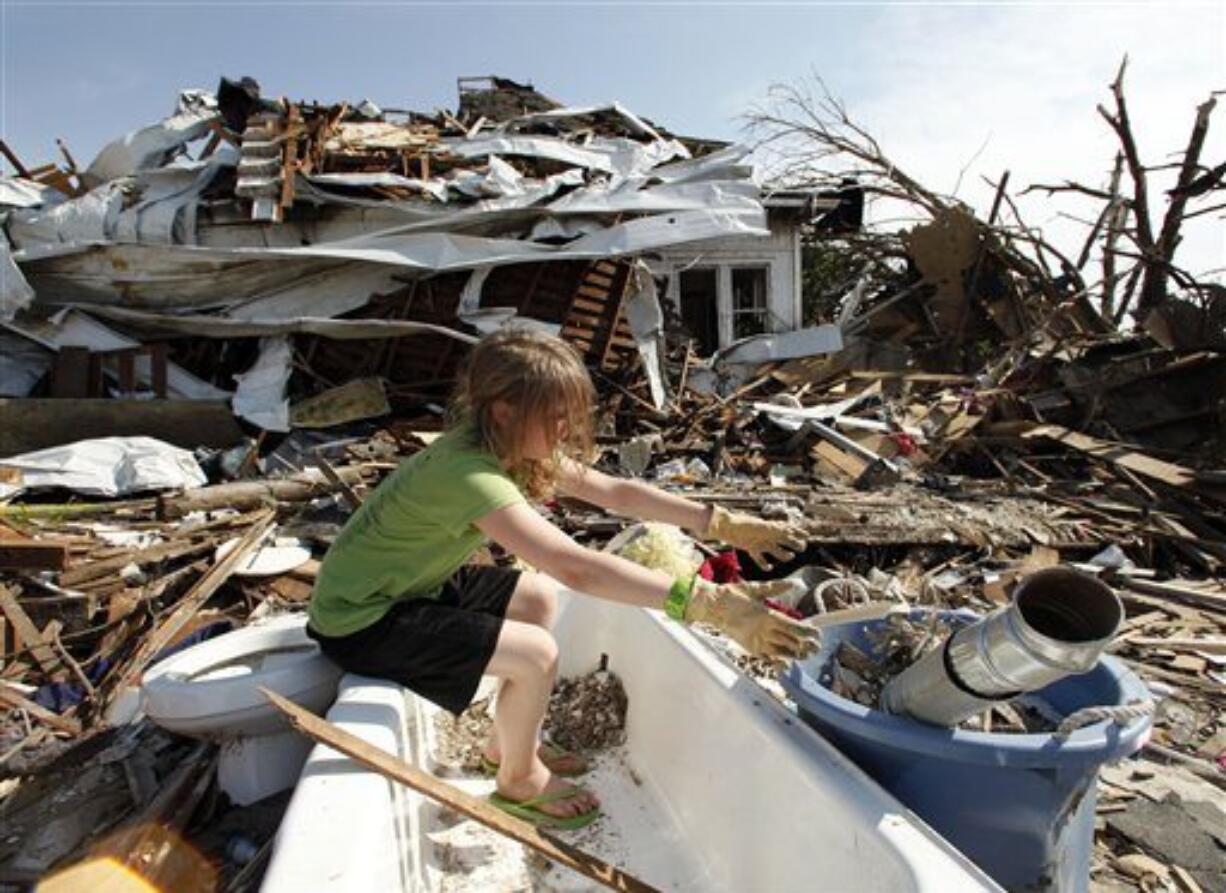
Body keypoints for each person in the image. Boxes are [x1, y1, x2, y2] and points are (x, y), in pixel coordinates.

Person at [307, 329, 818, 830]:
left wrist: (718, 523)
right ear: (505, 411)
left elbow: (615, 492)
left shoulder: (502, 445)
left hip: (406, 586)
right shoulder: (468, 474)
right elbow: (578, 567)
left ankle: (505, 745)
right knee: (536, 655)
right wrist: (709, 604)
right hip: (360, 619)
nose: (566, 429)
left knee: (537, 599)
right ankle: (519, 780)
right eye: (555, 417)